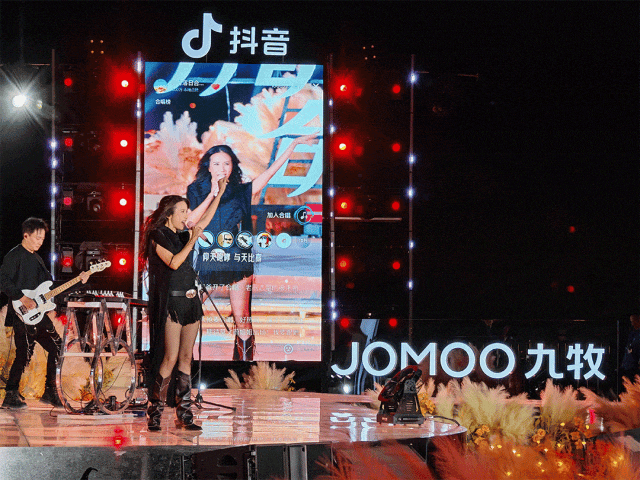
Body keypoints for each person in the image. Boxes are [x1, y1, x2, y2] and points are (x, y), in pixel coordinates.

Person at [186, 134, 317, 361]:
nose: (222, 168)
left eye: (226, 163)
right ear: (208, 166)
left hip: (237, 257)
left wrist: (294, 144)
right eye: (216, 163)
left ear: (233, 167)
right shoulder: (195, 190)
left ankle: (243, 367)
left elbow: (271, 172)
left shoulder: (242, 190)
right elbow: (190, 221)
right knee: (189, 310)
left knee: (242, 317)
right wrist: (212, 195)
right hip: (208, 257)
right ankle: (182, 364)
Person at [141, 178, 226, 431]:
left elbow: (204, 221)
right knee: (170, 357)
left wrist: (219, 193)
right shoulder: (158, 235)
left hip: (191, 301)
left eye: (187, 211)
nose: (186, 216)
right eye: (182, 211)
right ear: (169, 214)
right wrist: (192, 240)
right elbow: (174, 262)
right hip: (172, 303)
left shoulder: (182, 234)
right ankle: (155, 411)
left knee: (186, 357)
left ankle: (185, 413)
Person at [1, 217, 89, 408]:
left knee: (57, 347)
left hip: (39, 314)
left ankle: (50, 391)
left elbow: (51, 287)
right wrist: (22, 298)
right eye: (37, 238)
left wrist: (78, 280)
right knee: (23, 354)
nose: (40, 242)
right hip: (21, 314)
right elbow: (3, 280)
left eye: (42, 239)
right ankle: (10, 395)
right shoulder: (14, 256)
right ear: (26, 235)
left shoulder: (38, 259)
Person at [621, 314, 640, 381]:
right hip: (629, 364)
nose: (632, 324)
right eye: (631, 322)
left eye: (634, 321)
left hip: (635, 365)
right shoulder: (632, 333)